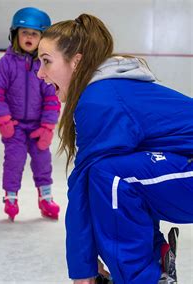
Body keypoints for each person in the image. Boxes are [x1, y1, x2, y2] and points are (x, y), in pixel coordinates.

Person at [36, 13, 193, 284]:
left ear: (76, 61)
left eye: (46, 61)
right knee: (113, 177)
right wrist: (84, 264)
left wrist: (82, 271)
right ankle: (153, 267)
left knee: (111, 176)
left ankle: (144, 279)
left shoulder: (101, 100)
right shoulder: (104, 92)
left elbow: (84, 182)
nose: (40, 73)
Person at [0, 7, 61, 221]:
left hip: (39, 126)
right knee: (14, 161)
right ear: (15, 35)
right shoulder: (5, 64)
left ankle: (45, 198)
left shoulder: (45, 66)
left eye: (34, 34)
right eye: (24, 32)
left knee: (42, 162)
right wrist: (4, 120)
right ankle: (10, 197)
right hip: (15, 126)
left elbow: (52, 97)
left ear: (43, 39)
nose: (29, 37)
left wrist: (48, 126)